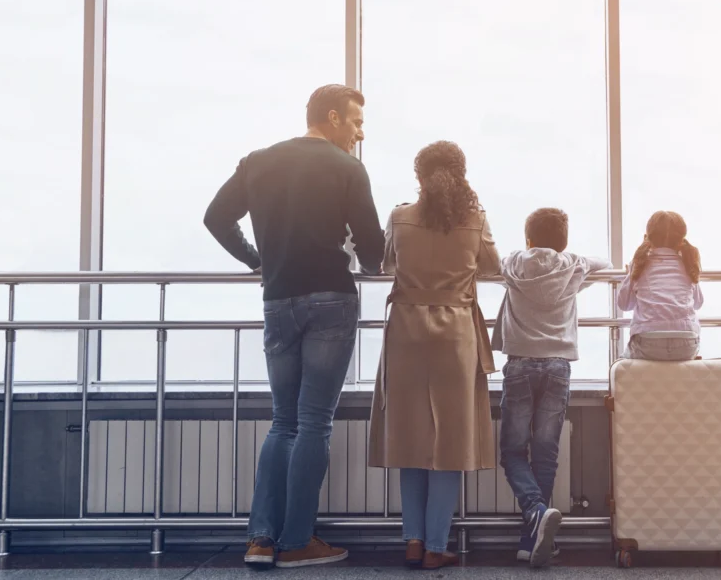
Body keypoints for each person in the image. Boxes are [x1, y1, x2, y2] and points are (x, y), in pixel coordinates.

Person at [204, 84, 385, 569]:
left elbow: (216, 217)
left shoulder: (258, 161)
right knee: (313, 423)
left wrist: (256, 260)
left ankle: (260, 539)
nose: (360, 133)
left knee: (282, 421)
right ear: (332, 117)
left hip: (278, 300)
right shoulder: (348, 168)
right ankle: (299, 539)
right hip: (331, 300)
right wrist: (369, 263)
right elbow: (371, 248)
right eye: (356, 122)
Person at [367, 141, 499, 570]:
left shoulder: (400, 216)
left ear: (419, 175)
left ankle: (412, 540)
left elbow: (386, 263)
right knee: (449, 441)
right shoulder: (475, 220)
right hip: (455, 332)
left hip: (405, 330)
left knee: (410, 436)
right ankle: (437, 545)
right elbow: (493, 267)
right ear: (461, 174)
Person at [491, 207, 610, 567]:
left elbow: (483, 264)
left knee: (512, 452)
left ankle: (535, 515)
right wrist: (574, 259)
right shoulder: (572, 266)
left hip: (520, 364)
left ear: (527, 239)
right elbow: (604, 262)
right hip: (558, 366)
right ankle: (535, 534)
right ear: (564, 241)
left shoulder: (513, 264)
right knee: (545, 453)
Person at [617, 210, 704, 361]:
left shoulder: (639, 265)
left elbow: (624, 305)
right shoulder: (687, 264)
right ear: (681, 240)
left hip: (648, 343)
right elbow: (698, 303)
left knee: (621, 361)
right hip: (686, 344)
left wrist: (630, 274)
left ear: (648, 238)